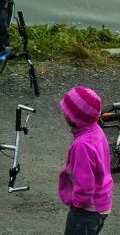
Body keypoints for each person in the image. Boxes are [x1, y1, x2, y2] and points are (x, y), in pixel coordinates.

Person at [59, 86, 112, 235]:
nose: (63, 113)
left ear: (74, 117)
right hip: (101, 204)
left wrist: (77, 204)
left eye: (66, 111)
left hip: (86, 211)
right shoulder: (96, 130)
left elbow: (85, 185)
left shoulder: (82, 145)